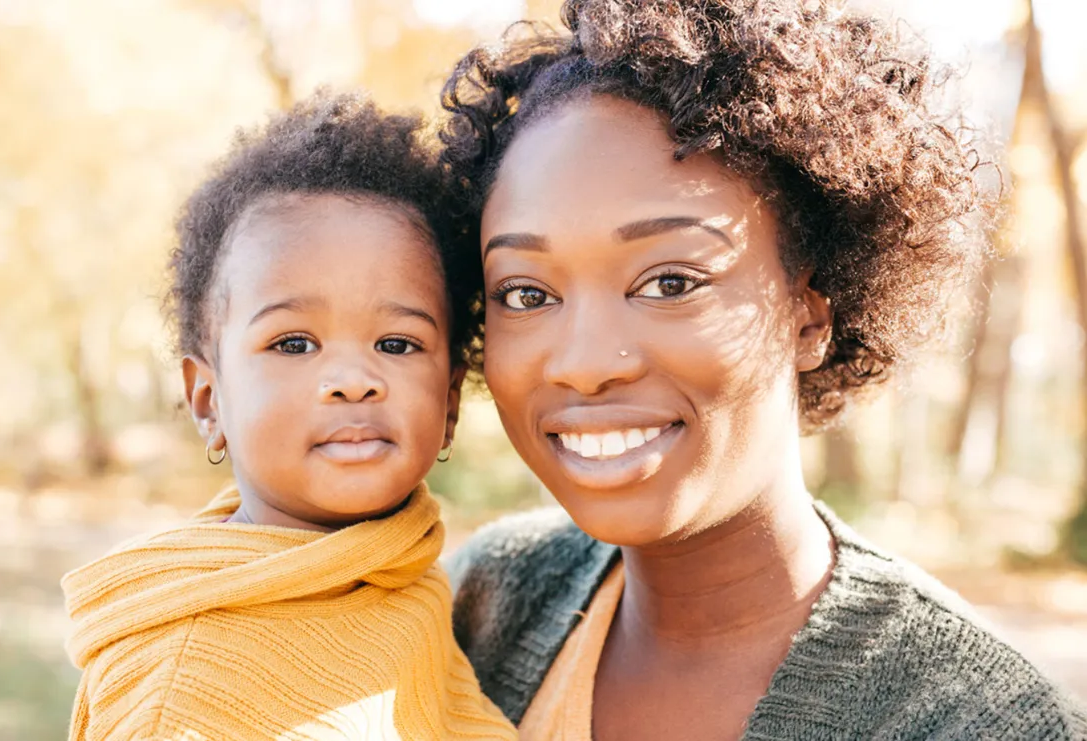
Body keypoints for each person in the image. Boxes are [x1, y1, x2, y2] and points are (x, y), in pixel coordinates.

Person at [438, 1, 1087, 739]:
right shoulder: (482, 605)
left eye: (670, 282)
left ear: (811, 311)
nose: (585, 364)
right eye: (528, 293)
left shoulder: (980, 720)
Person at [61, 90, 514, 741]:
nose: (353, 381)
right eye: (293, 343)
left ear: (448, 402)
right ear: (208, 399)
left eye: (396, 343)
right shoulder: (186, 695)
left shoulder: (408, 582)